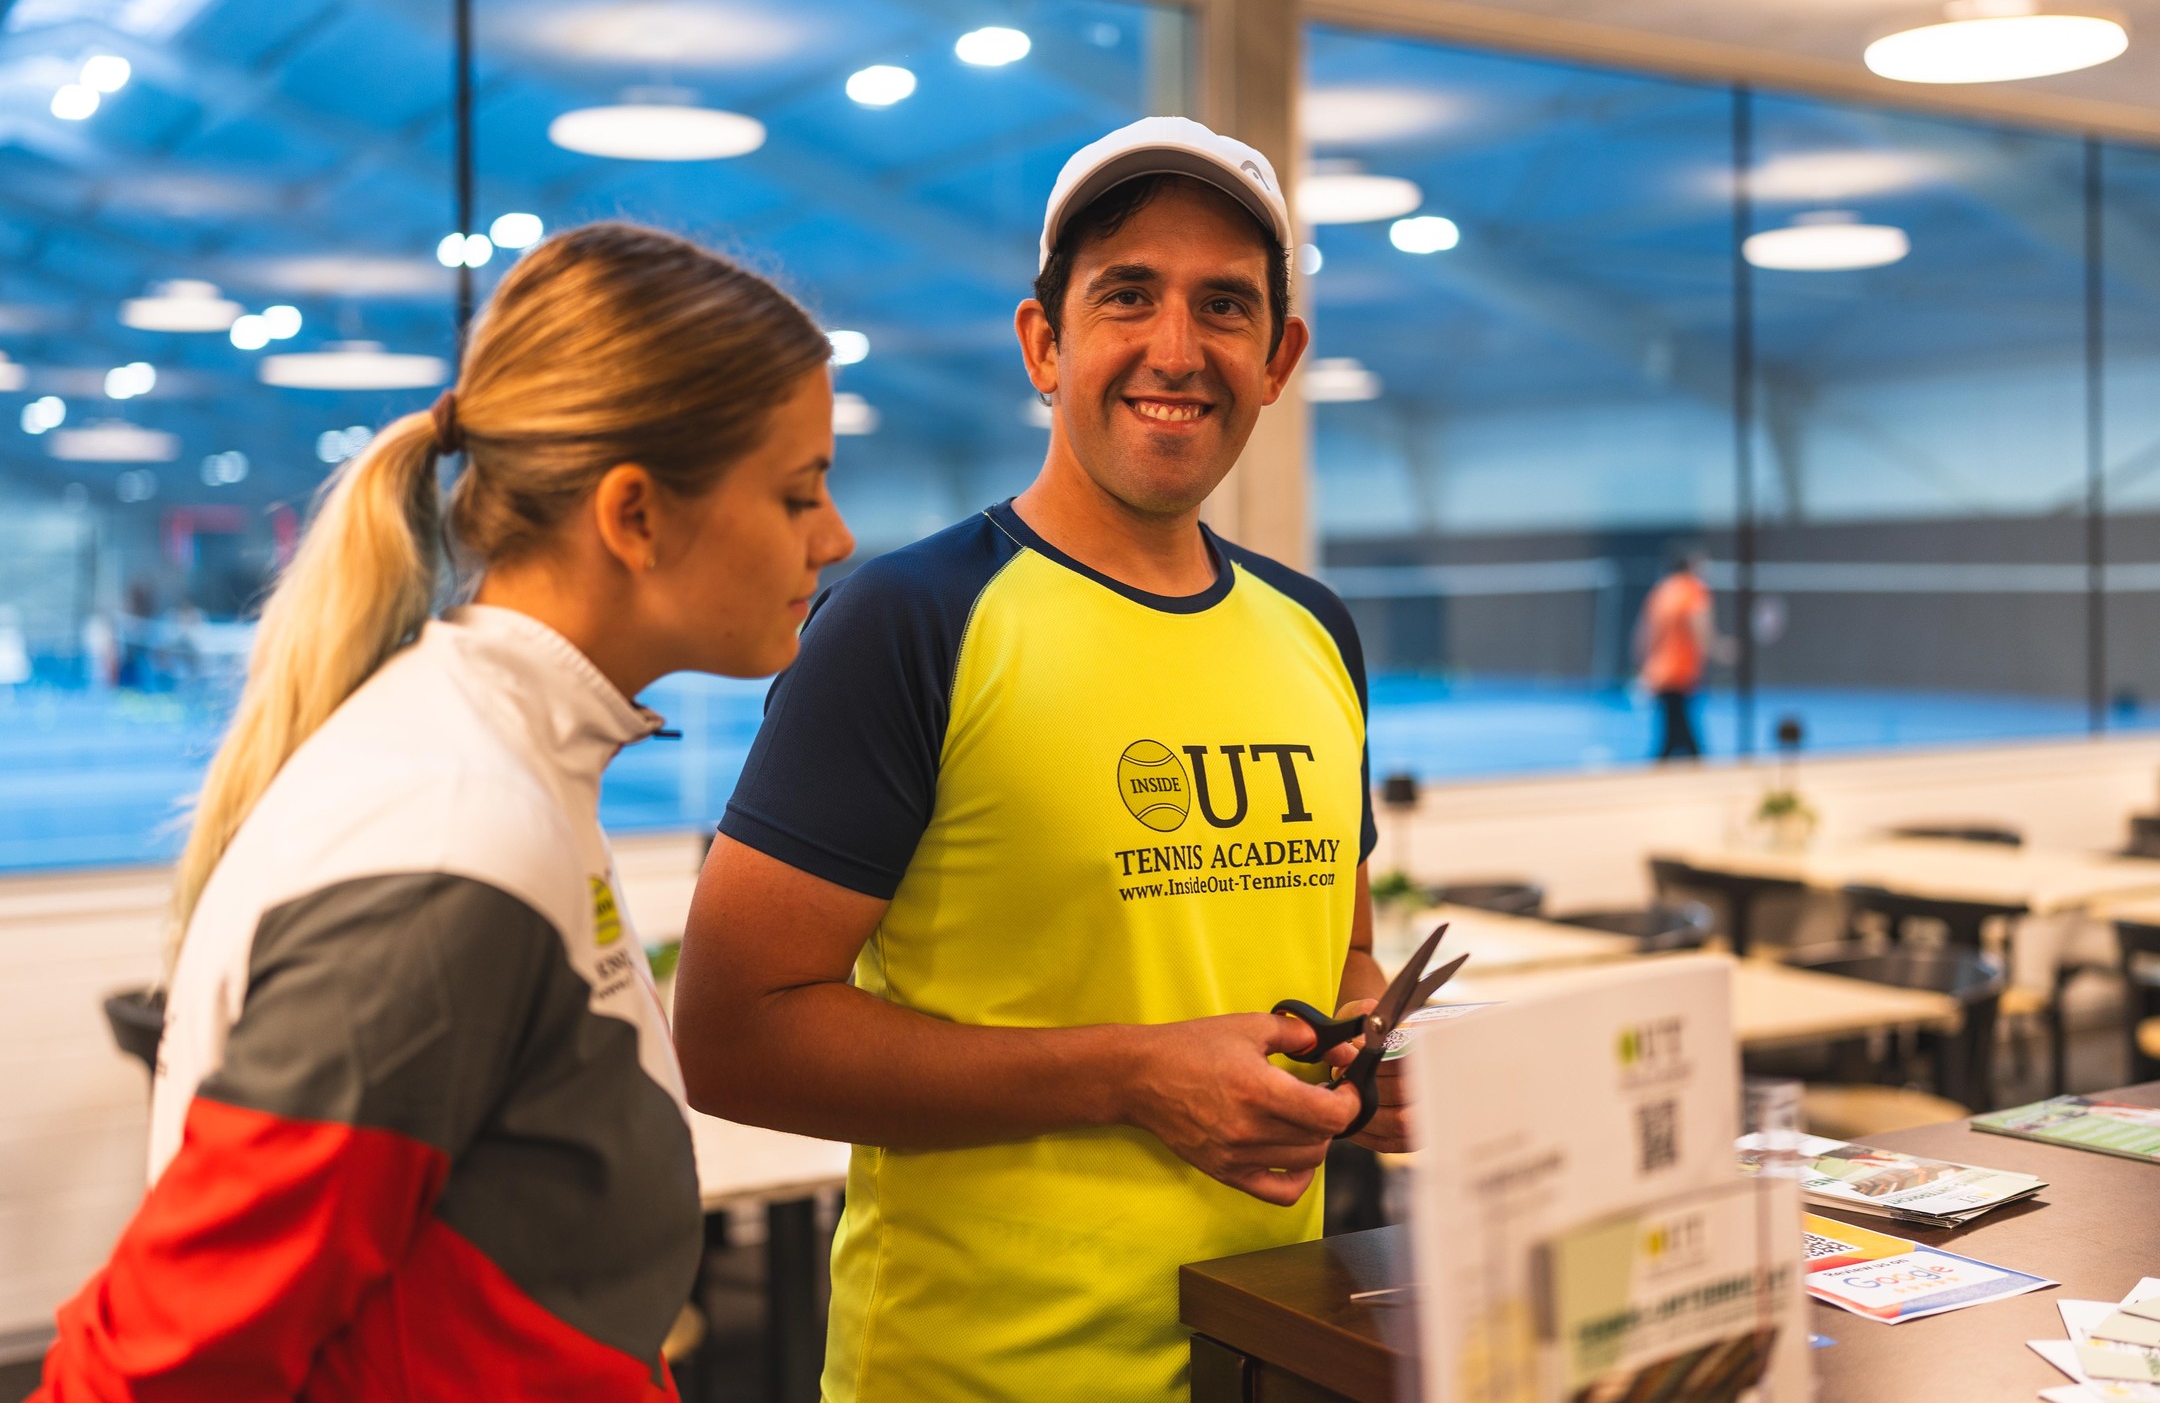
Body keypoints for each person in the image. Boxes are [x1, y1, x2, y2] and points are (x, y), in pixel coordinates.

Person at [33, 223, 853, 1401]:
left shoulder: (516, 764)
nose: (835, 536)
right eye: (798, 491)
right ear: (635, 517)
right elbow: (154, 1367)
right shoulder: (453, 841)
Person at [673, 117, 1397, 1403]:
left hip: (1258, 1358)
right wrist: (1130, 1078)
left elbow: (1337, 956)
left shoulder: (1314, 632)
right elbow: (732, 1036)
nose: (1178, 349)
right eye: (1129, 296)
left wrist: (1371, 1064)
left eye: (1225, 307)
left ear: (1278, 358)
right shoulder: (914, 621)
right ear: (1045, 343)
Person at [1636, 549, 1715, 760]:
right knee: (1678, 731)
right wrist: (1718, 649)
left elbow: (1644, 633)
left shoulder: (1661, 591)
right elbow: (1700, 630)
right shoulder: (1693, 591)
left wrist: (1644, 667)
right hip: (1680, 670)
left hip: (1659, 670)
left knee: (1674, 728)